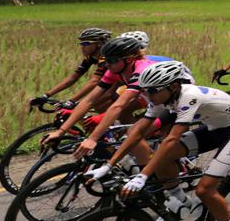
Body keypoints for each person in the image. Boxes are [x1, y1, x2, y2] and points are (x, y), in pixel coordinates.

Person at [85, 61, 230, 221]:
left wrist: (142, 177)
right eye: (145, 92)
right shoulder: (160, 99)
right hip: (213, 127)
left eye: (152, 92)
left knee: (205, 189)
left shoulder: (189, 96)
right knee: (163, 158)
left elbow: (171, 140)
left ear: (172, 87)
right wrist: (108, 165)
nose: (148, 97)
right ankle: (181, 201)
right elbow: (138, 132)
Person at [45, 35, 175, 164]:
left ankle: (150, 174)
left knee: (133, 135)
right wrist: (61, 131)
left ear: (129, 59)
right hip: (154, 96)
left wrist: (92, 139)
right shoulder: (114, 69)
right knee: (127, 128)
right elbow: (90, 100)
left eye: (112, 60)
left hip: (174, 100)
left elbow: (118, 105)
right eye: (105, 60)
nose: (107, 65)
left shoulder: (141, 70)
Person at [33, 27, 112, 112]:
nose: (82, 47)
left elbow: (94, 81)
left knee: (99, 105)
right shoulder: (90, 57)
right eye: (81, 44)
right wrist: (46, 95)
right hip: (109, 85)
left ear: (99, 44)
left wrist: (72, 101)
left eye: (85, 44)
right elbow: (73, 78)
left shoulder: (106, 58)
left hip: (120, 86)